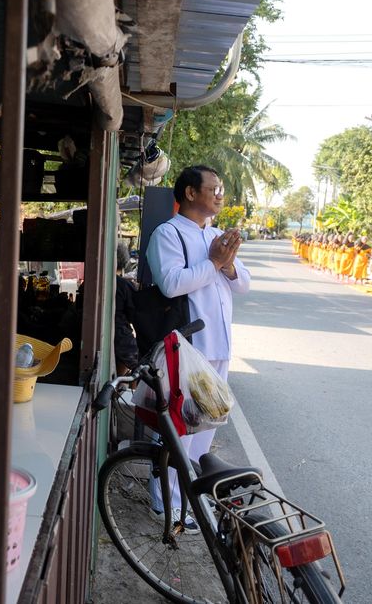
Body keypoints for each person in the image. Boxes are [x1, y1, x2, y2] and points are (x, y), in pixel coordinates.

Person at [145, 165, 251, 530]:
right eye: (214, 188)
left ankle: (190, 497)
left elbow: (243, 285)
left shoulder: (219, 235)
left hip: (218, 344)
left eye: (221, 189)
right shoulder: (169, 233)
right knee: (179, 426)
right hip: (188, 347)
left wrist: (229, 266)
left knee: (206, 427)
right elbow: (172, 283)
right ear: (190, 193)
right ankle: (166, 504)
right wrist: (214, 262)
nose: (220, 194)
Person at [113, 241, 139, 377]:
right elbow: (134, 317)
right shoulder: (125, 286)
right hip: (120, 337)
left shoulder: (88, 283)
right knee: (140, 365)